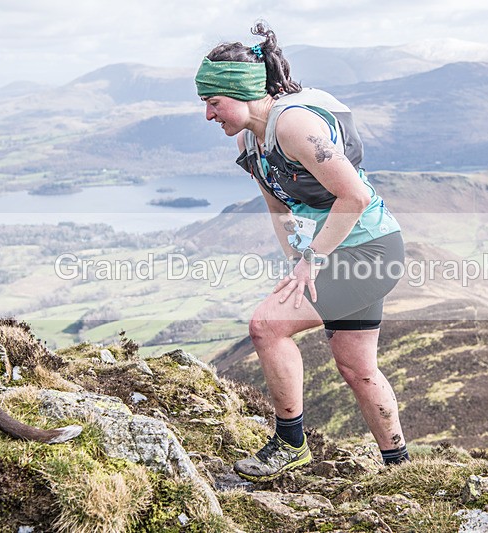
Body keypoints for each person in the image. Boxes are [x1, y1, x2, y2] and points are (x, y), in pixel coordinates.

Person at [195, 23, 409, 482]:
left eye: (213, 102)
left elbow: (355, 196)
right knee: (357, 367)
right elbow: (278, 209)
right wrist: (298, 261)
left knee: (266, 326)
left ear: (241, 92)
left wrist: (312, 260)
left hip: (369, 251)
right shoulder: (250, 140)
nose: (208, 114)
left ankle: (290, 444)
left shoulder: (293, 125)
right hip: (341, 252)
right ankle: (400, 467)